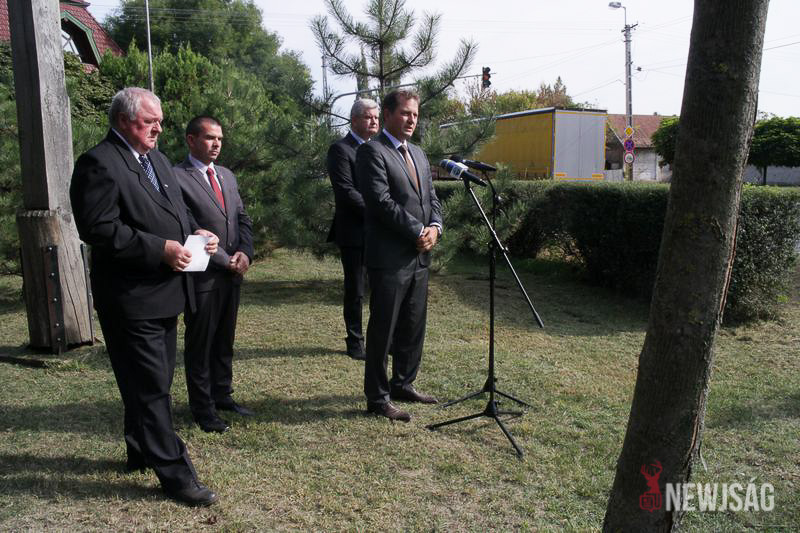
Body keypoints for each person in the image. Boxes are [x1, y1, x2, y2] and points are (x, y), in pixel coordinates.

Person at [70, 87, 219, 506]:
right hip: (131, 298)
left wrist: (197, 232)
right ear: (124, 120)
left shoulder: (156, 160)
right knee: (152, 387)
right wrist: (160, 249)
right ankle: (176, 474)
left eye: (160, 121)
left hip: (166, 293)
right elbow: (99, 229)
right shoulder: (99, 163)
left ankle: (139, 449)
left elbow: (177, 211)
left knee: (153, 379)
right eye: (150, 121)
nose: (159, 129)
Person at [356, 89, 443, 422]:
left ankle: (403, 383)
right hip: (390, 257)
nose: (411, 120)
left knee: (413, 324)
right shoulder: (372, 151)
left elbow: (432, 198)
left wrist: (435, 227)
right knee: (384, 329)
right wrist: (417, 231)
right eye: (405, 113)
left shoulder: (418, 153)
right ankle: (378, 398)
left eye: (415, 115)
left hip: (419, 258)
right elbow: (380, 202)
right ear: (388, 114)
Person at [174, 116, 254, 433]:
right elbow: (187, 224)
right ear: (191, 140)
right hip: (204, 275)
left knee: (224, 340)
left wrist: (245, 253)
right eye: (209, 137)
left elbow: (242, 218)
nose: (216, 144)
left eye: (219, 138)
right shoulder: (177, 177)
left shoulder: (226, 175)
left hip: (232, 274)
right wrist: (225, 259)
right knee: (201, 343)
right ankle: (202, 407)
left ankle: (222, 395)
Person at [326, 98, 380, 360]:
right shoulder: (341, 150)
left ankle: (383, 340)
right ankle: (355, 341)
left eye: (377, 118)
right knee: (356, 290)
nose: (374, 122)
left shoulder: (379, 149)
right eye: (369, 117)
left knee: (382, 289)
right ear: (355, 119)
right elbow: (346, 191)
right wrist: (380, 213)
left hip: (381, 232)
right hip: (355, 232)